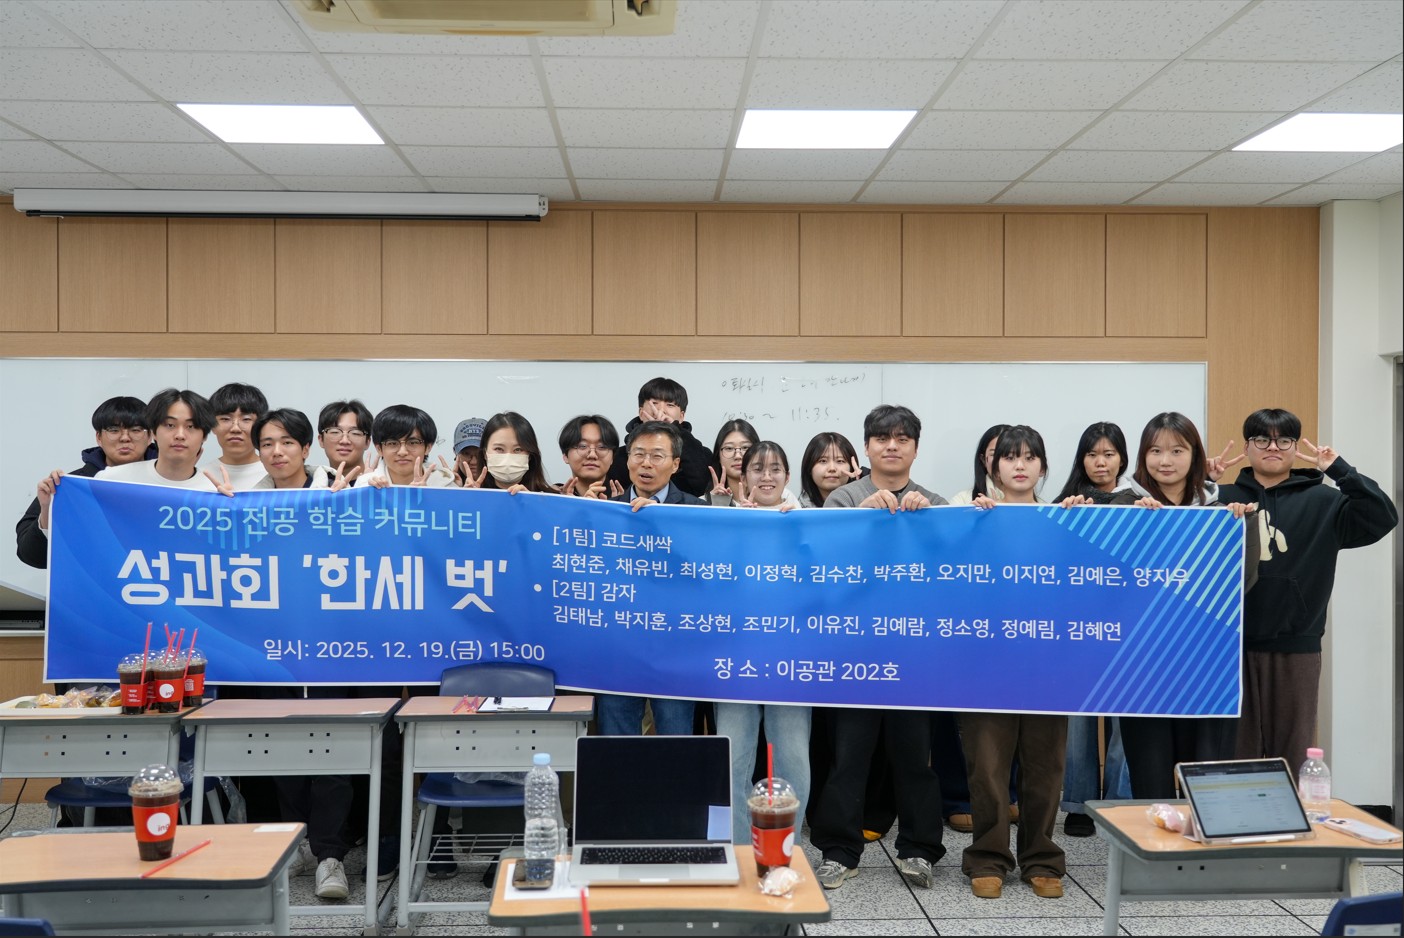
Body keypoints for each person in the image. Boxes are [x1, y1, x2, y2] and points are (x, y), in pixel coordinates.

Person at [810, 404, 946, 892]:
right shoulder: (843, 500)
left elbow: (947, 575)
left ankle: (919, 850)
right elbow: (825, 568)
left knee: (914, 757)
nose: (892, 445)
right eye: (882, 438)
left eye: (902, 438)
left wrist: (932, 524)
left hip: (912, 652)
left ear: (914, 447)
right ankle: (839, 851)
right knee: (849, 756)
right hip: (855, 650)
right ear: (865, 447)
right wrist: (859, 522)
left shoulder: (933, 502)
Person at [1217, 408, 1397, 768]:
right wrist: (1201, 488)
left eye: (1284, 440)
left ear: (1295, 447)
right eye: (1261, 439)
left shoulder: (1325, 501)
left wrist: (1340, 470)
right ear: (1248, 446)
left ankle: (1290, 825)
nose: (1273, 447)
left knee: (1294, 754)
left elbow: (1383, 516)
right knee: (1233, 755)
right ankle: (1233, 823)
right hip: (1227, 646)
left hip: (1297, 645)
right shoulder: (1222, 499)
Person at [1116, 412, 1259, 799]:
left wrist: (1239, 532)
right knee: (1151, 773)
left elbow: (1243, 583)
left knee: (1205, 772)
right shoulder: (1120, 508)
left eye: (1178, 450)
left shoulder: (1222, 509)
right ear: (1143, 456)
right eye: (1156, 450)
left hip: (1206, 660)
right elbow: (1105, 585)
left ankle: (1204, 854)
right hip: (1141, 663)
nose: (1166, 460)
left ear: (1194, 454)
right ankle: (1152, 857)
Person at [962, 425, 1067, 901]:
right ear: (993, 466)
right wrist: (967, 524)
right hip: (985, 662)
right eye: (1009, 457)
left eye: (1030, 457)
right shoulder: (972, 517)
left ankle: (1042, 858)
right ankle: (988, 858)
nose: (1020, 465)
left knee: (1045, 765)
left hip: (1049, 663)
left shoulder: (1064, 519)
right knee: (987, 766)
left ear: (1043, 467)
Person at [714, 442, 806, 845]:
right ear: (743, 475)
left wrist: (798, 535)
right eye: (756, 469)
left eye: (775, 469)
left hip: (790, 656)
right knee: (734, 757)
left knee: (792, 757)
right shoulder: (726, 522)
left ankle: (788, 847)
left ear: (788, 477)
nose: (766, 477)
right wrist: (732, 527)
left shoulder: (810, 522)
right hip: (735, 656)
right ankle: (738, 850)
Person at [1053, 422, 1134, 836]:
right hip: (1077, 628)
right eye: (1092, 454)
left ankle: (1119, 803)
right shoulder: (1064, 504)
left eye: (1109, 453)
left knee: (1126, 721)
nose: (1100, 462)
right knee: (1078, 722)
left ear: (1123, 457)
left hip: (1127, 628)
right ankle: (1078, 804)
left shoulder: (1142, 502)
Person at [600, 420, 704, 735]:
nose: (646, 463)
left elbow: (702, 574)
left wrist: (657, 523)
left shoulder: (696, 510)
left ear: (675, 465)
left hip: (675, 646)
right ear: (627, 460)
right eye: (639, 454)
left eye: (657, 456)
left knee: (675, 736)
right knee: (616, 739)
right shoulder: (605, 511)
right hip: (619, 646)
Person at [17, 395, 151, 569]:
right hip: (91, 591)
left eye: (136, 429)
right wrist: (48, 511)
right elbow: (32, 556)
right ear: (98, 437)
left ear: (150, 436)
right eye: (113, 430)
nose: (125, 438)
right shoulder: (70, 486)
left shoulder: (172, 483)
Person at [90, 388, 221, 491]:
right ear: (153, 432)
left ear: (204, 436)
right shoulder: (110, 480)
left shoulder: (214, 490)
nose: (180, 435)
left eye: (191, 426)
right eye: (170, 425)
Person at [606, 377, 712, 498]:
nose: (661, 410)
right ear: (641, 413)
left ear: (681, 416)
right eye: (654, 403)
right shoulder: (619, 456)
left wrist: (676, 430)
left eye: (670, 405)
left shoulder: (702, 454)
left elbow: (703, 487)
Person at [253, 408, 358, 491]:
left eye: (287, 443)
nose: (276, 452)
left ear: (305, 450)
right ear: (260, 454)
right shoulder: (251, 501)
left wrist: (343, 501)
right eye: (267, 444)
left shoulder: (334, 490)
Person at [361, 405, 455, 488]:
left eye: (413, 443)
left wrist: (428, 497)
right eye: (393, 443)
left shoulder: (446, 487)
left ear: (428, 447)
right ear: (379, 449)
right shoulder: (365, 486)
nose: (402, 452)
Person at [467, 412, 554, 493]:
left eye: (518, 450)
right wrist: (468, 499)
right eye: (499, 449)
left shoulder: (551, 500)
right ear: (485, 453)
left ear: (530, 455)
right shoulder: (473, 493)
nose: (507, 458)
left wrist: (531, 501)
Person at [205, 382, 270, 490]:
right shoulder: (202, 476)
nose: (235, 428)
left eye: (246, 419)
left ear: (260, 426)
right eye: (225, 419)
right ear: (212, 425)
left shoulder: (276, 474)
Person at [557, 414, 623, 499]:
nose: (592, 455)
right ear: (565, 455)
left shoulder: (628, 502)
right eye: (582, 446)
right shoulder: (551, 500)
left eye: (602, 447)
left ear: (612, 458)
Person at [947, 424, 1009, 506]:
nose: (1001, 462)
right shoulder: (961, 501)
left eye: (1009, 456)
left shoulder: (1030, 503)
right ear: (983, 460)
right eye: (994, 454)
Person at [797, 431, 863, 508]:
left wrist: (863, 483)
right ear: (809, 468)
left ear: (851, 468)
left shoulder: (868, 502)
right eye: (823, 461)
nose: (832, 468)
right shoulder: (798, 509)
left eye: (840, 461)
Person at [705, 419, 760, 506]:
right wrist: (718, 504)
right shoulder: (701, 504)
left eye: (745, 447)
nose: (738, 456)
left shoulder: (781, 498)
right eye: (729, 448)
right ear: (718, 456)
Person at [318, 400, 373, 476]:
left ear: (367, 442)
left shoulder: (382, 485)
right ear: (321, 440)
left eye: (355, 433)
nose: (345, 441)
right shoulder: (313, 486)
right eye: (335, 432)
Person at [451, 417, 486, 488]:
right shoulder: (445, 486)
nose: (473, 462)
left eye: (479, 454)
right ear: (455, 452)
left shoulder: (506, 487)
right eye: (466, 453)